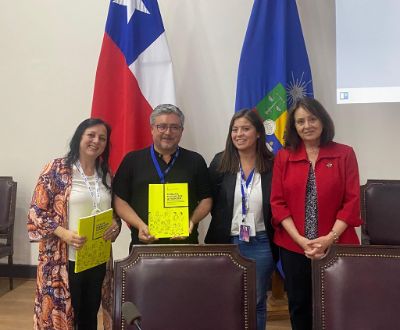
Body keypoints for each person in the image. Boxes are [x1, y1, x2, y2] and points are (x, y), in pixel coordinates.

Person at [270, 97, 362, 330]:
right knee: (300, 304)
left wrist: (329, 238)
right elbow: (278, 203)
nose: (307, 125)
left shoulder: (345, 154)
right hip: (294, 246)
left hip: (337, 242)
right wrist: (301, 240)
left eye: (312, 119)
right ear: (294, 126)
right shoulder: (283, 156)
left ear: (323, 121)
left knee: (338, 302)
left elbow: (351, 201)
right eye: (300, 121)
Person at [27, 118, 121, 330]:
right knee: (64, 315)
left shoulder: (106, 174)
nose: (96, 141)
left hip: (96, 257)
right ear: (79, 137)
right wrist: (64, 234)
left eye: (102, 138)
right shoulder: (56, 169)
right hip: (63, 259)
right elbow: (36, 212)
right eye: (91, 135)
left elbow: (114, 214)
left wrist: (115, 225)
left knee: (89, 315)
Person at [205, 109, 277, 330]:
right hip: (227, 241)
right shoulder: (220, 162)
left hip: (261, 242)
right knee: (227, 298)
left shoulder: (273, 163)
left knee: (256, 300)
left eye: (246, 129)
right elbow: (210, 200)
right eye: (235, 129)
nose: (239, 134)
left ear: (258, 133)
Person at [113, 104, 212, 248]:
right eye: (162, 126)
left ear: (182, 131)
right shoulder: (132, 160)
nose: (168, 132)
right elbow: (119, 200)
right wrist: (140, 225)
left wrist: (191, 221)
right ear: (152, 129)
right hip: (143, 245)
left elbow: (206, 199)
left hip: (185, 245)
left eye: (174, 127)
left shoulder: (195, 160)